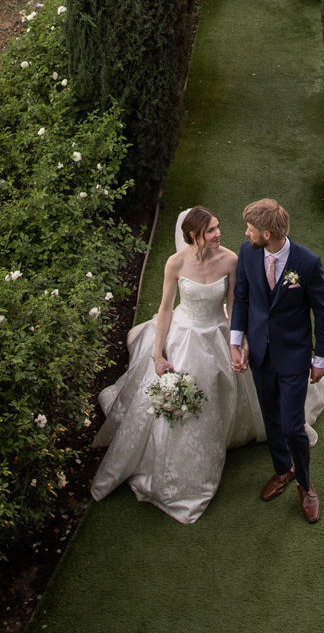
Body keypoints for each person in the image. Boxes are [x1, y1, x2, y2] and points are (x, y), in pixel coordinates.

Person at [89, 206, 261, 523]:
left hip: (217, 336)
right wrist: (157, 354)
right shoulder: (176, 263)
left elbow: (234, 304)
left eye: (218, 227)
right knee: (173, 400)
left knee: (215, 392)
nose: (218, 233)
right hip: (183, 338)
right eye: (211, 230)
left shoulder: (230, 261)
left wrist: (240, 344)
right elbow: (166, 308)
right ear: (194, 235)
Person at [230, 196, 324, 523]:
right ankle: (282, 469)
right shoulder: (247, 253)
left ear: (268, 234)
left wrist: (320, 357)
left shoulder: (307, 262)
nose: (246, 235)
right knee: (270, 417)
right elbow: (242, 297)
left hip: (293, 355)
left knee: (292, 424)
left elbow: (321, 312)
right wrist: (237, 341)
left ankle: (304, 483)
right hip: (260, 352)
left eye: (250, 230)